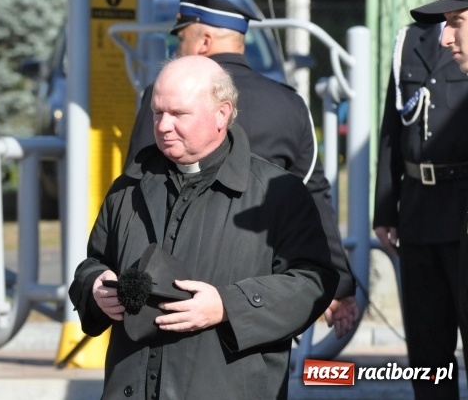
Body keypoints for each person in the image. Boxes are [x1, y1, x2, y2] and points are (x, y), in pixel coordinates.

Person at [69, 55, 338, 400]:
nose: (163, 125)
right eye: (157, 112)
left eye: (179, 114)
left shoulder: (277, 194)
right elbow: (94, 262)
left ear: (221, 115)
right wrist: (95, 288)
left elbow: (312, 282)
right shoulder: (128, 187)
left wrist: (228, 306)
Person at [126, 0, 358, 337]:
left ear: (204, 41)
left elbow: (137, 188)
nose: (178, 50)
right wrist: (339, 284)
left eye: (182, 39)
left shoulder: (163, 100)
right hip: (261, 290)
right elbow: (312, 193)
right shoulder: (289, 103)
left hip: (175, 291)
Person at [374, 0, 468, 400]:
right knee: (427, 356)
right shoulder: (409, 40)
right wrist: (384, 208)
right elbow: (394, 129)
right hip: (418, 209)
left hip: (459, 202)